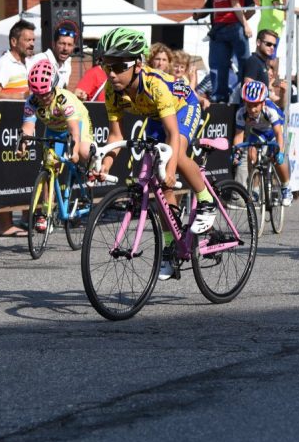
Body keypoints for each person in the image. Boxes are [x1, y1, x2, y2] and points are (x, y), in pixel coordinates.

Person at [92, 28, 215, 281]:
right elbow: (115, 136)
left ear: (137, 64)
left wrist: (170, 170)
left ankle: (206, 202)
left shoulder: (155, 85)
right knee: (158, 184)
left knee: (175, 157)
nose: (112, 73)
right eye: (106, 65)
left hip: (182, 107)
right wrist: (105, 165)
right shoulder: (112, 90)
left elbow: (172, 135)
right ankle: (171, 245)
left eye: (119, 66)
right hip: (156, 116)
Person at [20, 58, 96, 233]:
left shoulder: (64, 100)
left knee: (83, 152)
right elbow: (28, 127)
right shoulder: (31, 102)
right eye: (38, 95)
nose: (42, 98)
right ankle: (46, 212)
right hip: (54, 130)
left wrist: (75, 151)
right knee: (49, 166)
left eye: (46, 94)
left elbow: (74, 131)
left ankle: (90, 169)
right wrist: (23, 144)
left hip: (76, 124)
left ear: (53, 86)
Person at [233, 78, 293, 206]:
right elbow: (239, 136)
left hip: (274, 130)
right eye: (249, 105)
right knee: (251, 154)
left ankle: (286, 187)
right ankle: (255, 189)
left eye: (256, 105)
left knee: (276, 158)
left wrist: (280, 152)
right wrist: (236, 152)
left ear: (263, 103)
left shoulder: (269, 109)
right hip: (259, 132)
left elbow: (278, 134)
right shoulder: (241, 113)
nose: (252, 109)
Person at [203, 0, 252, 103]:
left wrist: (198, 14)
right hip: (233, 27)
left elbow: (211, 7)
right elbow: (235, 5)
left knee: (219, 66)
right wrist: (245, 24)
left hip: (218, 28)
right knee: (244, 63)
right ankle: (246, 96)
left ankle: (219, 97)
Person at [0, 19, 36, 99]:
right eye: (28, 40)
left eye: (33, 40)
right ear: (14, 42)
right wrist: (23, 96)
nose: (32, 44)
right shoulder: (3, 64)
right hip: (10, 111)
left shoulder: (29, 62)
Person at [29, 20, 78, 90]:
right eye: (62, 43)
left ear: (73, 47)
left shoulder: (67, 66)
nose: (65, 48)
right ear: (54, 44)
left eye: (69, 45)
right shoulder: (38, 60)